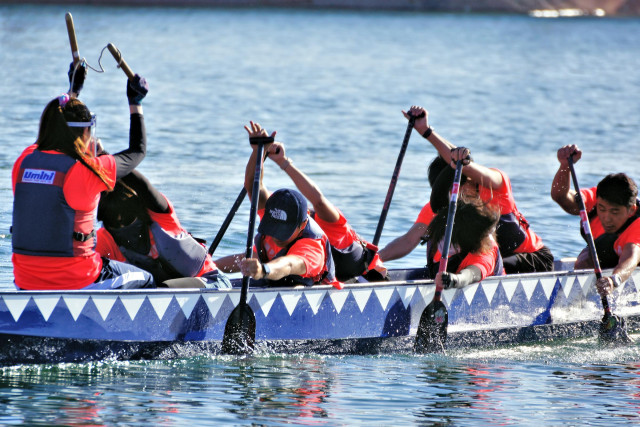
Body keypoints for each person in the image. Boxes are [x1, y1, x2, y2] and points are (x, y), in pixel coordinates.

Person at [11, 63, 154, 290]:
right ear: (85, 132)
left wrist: (73, 90)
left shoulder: (23, 162)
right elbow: (138, 151)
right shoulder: (88, 170)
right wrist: (135, 102)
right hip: (79, 280)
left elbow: (55, 121)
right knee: (147, 279)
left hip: (25, 282)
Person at [400, 105, 554, 274]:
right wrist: (378, 258)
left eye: (454, 188)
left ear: (468, 179)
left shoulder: (496, 184)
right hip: (483, 263)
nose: (453, 195)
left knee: (477, 263)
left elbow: (463, 163)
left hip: (532, 260)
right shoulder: (442, 205)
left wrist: (427, 132)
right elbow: (408, 241)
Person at [216, 121, 340, 289]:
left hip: (304, 290)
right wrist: (259, 151)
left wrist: (263, 270)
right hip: (269, 279)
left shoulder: (311, 247)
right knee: (215, 276)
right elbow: (253, 185)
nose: (276, 236)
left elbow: (288, 264)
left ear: (302, 225)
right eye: (274, 227)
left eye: (283, 231)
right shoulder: (274, 213)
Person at [263, 140, 388, 282]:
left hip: (369, 277)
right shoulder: (284, 224)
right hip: (333, 281)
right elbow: (257, 190)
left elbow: (318, 201)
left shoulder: (328, 221)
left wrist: (283, 162)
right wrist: (259, 153)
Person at [96, 170, 232, 289]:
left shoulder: (162, 219)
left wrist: (105, 161)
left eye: (127, 218)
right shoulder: (105, 238)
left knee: (161, 288)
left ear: (139, 213)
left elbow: (141, 184)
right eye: (113, 222)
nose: (122, 227)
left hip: (212, 283)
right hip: (157, 292)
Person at [551, 144, 640, 297]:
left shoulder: (637, 223)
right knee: (584, 261)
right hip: (609, 252)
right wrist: (565, 167)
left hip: (632, 261)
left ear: (631, 210)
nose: (606, 217)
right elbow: (561, 196)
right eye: (602, 209)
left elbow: (631, 257)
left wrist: (613, 280)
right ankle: (578, 302)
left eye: (615, 212)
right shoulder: (594, 200)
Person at [378, 155, 448, 263]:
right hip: (441, 269)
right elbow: (408, 241)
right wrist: (376, 258)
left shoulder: (475, 205)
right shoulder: (433, 208)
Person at [425, 197, 504, 289]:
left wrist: (454, 280)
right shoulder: (439, 235)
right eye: (442, 236)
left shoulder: (485, 254)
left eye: (451, 240)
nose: (442, 242)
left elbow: (470, 275)